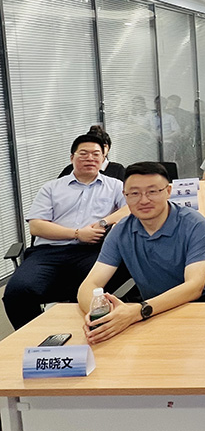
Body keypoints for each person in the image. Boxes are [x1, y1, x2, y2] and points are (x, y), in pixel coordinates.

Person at [77, 162, 205, 344]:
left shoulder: (194, 224)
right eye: (134, 193)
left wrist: (136, 312)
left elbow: (194, 286)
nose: (143, 200)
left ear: (168, 191)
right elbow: (88, 286)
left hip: (196, 306)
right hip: (150, 311)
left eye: (152, 191)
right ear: (125, 196)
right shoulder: (120, 231)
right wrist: (103, 316)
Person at [3, 134, 128, 329]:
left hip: (93, 251)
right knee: (17, 292)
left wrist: (104, 222)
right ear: (72, 158)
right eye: (83, 153)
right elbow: (36, 226)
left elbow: (130, 208)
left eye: (96, 154)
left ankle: (92, 330)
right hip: (49, 253)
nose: (90, 158)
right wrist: (77, 233)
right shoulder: (51, 188)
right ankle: (37, 337)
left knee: (100, 286)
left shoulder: (115, 186)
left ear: (103, 159)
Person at [59, 125, 126, 182]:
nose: (90, 158)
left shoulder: (118, 170)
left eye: (104, 146)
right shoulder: (70, 169)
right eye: (84, 153)